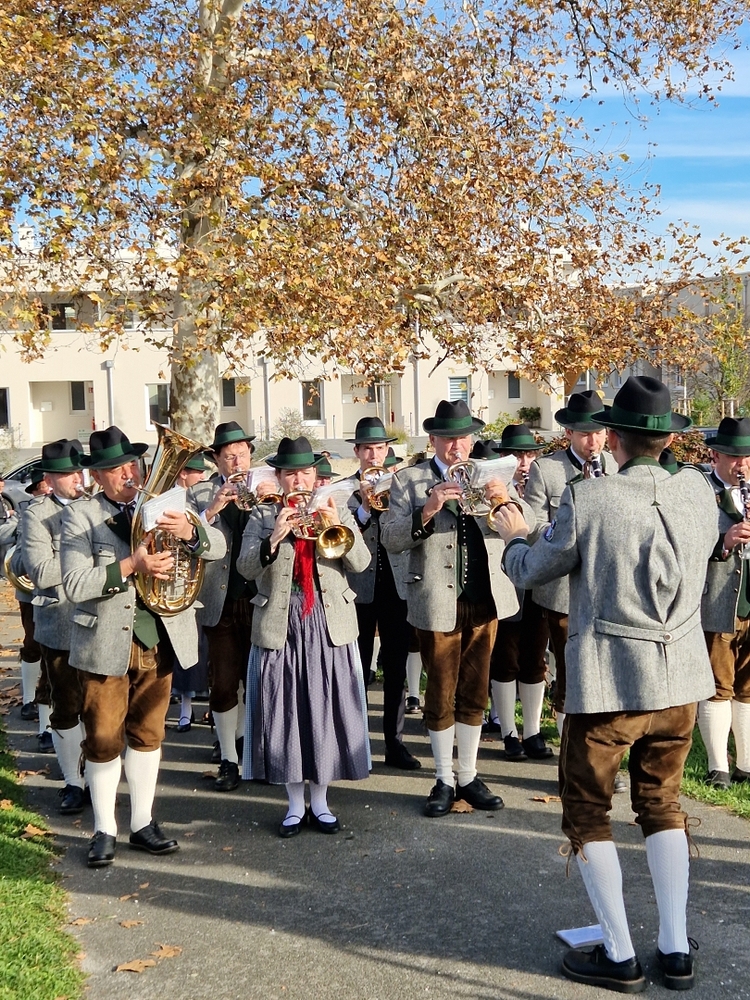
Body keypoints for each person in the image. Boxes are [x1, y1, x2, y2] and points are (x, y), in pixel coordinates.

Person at [494, 376, 717, 993]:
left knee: (589, 810)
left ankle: (619, 953)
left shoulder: (588, 498)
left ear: (614, 438)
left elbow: (534, 570)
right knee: (662, 803)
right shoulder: (699, 491)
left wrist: (513, 537)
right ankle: (674, 949)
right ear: (668, 440)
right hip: (679, 682)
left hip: (609, 683)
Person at [61, 426, 225, 867]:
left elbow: (217, 547)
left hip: (159, 637)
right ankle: (104, 829)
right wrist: (132, 564)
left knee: (149, 734)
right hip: (104, 641)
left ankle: (142, 823)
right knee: (102, 738)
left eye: (131, 465)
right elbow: (74, 583)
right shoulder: (80, 516)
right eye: (115, 469)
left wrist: (190, 532)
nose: (128, 474)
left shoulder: (167, 503)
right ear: (97, 476)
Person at [381, 399, 534, 817]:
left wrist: (505, 499)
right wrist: (427, 510)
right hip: (436, 598)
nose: (456, 446)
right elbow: (391, 537)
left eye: (463, 438)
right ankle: (443, 778)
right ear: (432, 439)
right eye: (448, 439)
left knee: (475, 689)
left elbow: (527, 522)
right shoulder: (409, 480)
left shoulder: (490, 473)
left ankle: (468, 774)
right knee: (441, 691)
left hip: (484, 597)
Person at [237, 437, 371, 837]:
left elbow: (360, 562)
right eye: (291, 473)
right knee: (287, 712)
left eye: (306, 473)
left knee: (325, 710)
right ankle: (295, 805)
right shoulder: (263, 514)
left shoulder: (335, 507)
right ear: (279, 477)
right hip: (282, 621)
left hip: (328, 621)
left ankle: (322, 802)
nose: (299, 480)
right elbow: (245, 568)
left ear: (316, 476)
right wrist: (274, 538)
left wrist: (334, 524)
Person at [523, 391, 618, 757]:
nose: (592, 441)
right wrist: (567, 532)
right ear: (568, 433)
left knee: (601, 673)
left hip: (607, 589)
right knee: (569, 671)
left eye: (598, 432)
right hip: (562, 589)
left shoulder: (616, 467)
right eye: (584, 433)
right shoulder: (547, 469)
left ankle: (595, 752)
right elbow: (533, 526)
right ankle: (570, 756)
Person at [346, 417, 420, 770]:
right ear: (357, 452)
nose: (374, 455)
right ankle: (356, 743)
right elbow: (344, 536)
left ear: (387, 450)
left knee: (395, 666)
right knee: (357, 668)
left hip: (396, 584)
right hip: (358, 586)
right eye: (367, 449)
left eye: (379, 448)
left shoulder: (401, 486)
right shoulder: (345, 490)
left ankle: (394, 742)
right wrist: (363, 506)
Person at [22, 439, 90, 812]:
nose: (77, 479)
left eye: (79, 471)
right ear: (49, 480)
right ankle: (72, 782)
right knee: (66, 706)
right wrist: (90, 561)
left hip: (99, 620)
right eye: (68, 474)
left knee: (101, 708)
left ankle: (95, 775)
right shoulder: (37, 514)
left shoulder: (96, 504)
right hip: (60, 620)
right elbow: (41, 571)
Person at [189, 421, 257, 790]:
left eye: (242, 455)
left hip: (260, 598)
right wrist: (211, 511)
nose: (236, 462)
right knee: (224, 683)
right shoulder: (199, 493)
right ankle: (229, 758)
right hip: (220, 600)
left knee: (257, 680)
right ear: (216, 460)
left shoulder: (267, 487)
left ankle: (249, 745)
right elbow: (187, 543)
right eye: (229, 457)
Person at [490, 424, 552, 761]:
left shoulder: (542, 484)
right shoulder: (496, 488)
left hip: (540, 580)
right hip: (506, 579)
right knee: (506, 657)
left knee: (534, 658)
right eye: (517, 455)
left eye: (529, 455)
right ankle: (507, 731)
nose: (525, 462)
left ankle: (532, 731)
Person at [697, 417, 750, 789]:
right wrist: (724, 541)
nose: (741, 463)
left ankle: (746, 764)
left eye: (747, 456)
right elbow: (683, 545)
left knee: (748, 686)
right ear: (715, 456)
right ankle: (718, 767)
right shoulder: (699, 492)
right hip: (716, 601)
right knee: (719, 683)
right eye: (733, 456)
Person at [171, 452, 212, 733]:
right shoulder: (173, 499)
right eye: (198, 472)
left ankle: (211, 708)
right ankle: (185, 711)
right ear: (184, 473)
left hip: (209, 579)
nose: (202, 477)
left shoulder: (205, 493)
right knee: (187, 648)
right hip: (183, 581)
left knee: (208, 650)